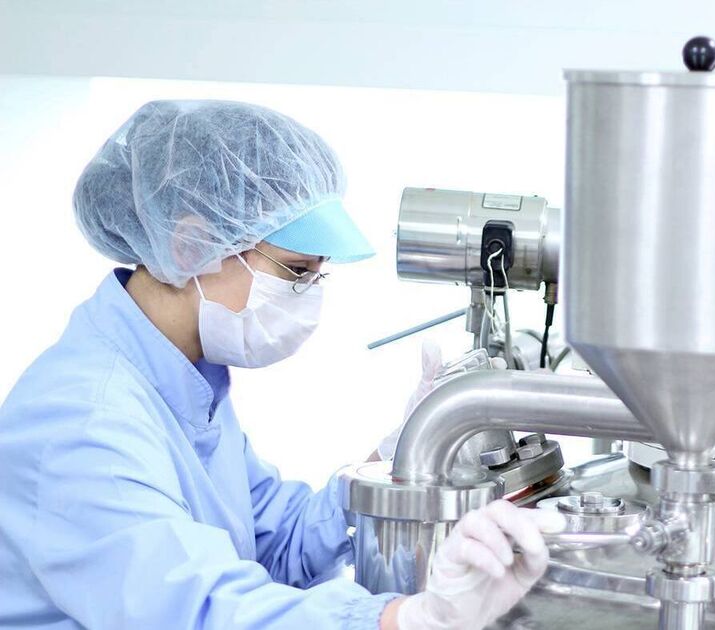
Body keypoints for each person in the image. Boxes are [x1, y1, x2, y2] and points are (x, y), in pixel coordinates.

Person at [0, 100, 561, 630]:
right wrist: (413, 619)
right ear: (191, 245)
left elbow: (277, 542)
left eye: (318, 273)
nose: (309, 294)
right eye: (296, 271)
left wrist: (396, 459)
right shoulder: (84, 423)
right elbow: (200, 612)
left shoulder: (182, 385)